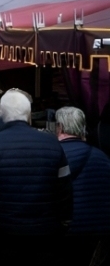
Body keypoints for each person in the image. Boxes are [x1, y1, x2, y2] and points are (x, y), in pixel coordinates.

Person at [0, 89, 72, 266]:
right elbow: (64, 188)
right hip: (45, 233)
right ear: (29, 114)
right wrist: (64, 222)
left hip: (4, 234)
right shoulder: (52, 143)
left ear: (2, 115)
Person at [56, 106, 110, 266]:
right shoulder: (102, 158)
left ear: (60, 127)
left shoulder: (52, 157)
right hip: (98, 234)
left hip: (65, 232)